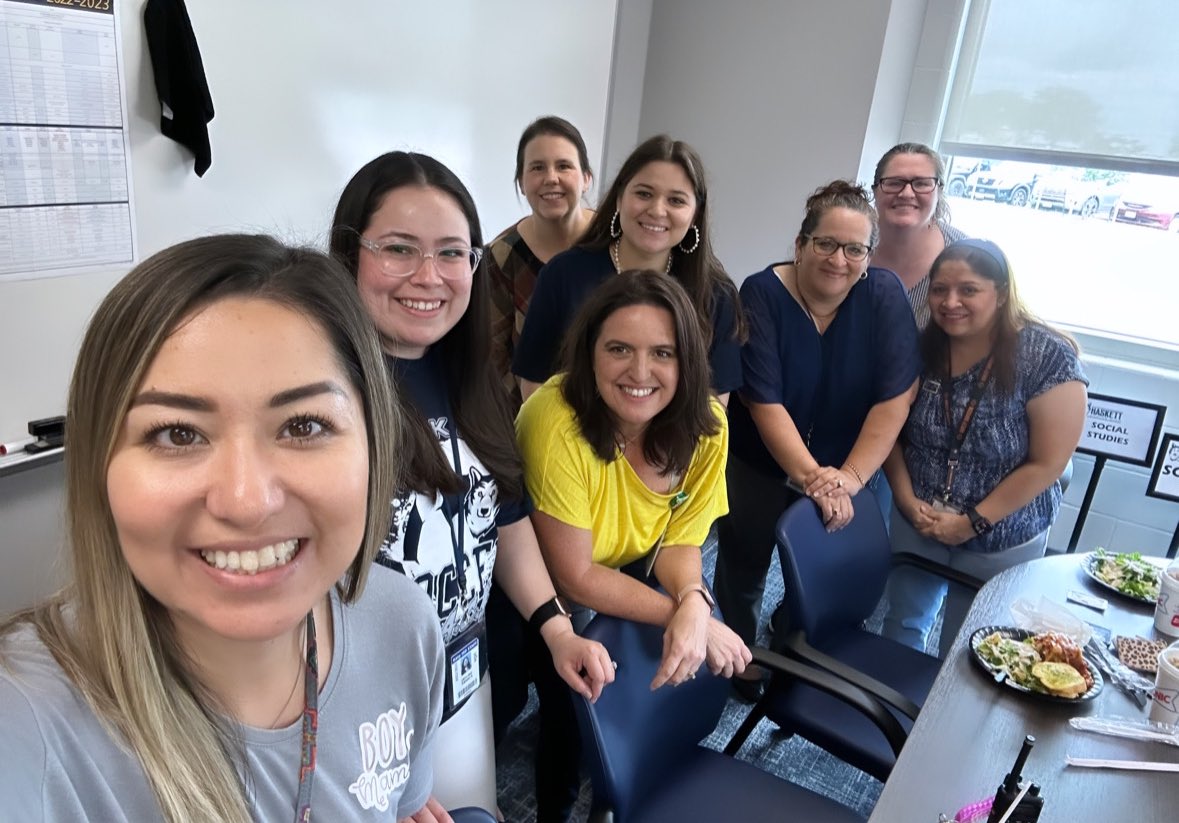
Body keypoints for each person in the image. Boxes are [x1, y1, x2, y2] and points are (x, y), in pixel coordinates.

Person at [0, 235, 447, 822]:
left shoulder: (403, 625)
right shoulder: (23, 717)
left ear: (374, 446)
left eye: (304, 425)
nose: (247, 501)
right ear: (98, 467)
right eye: (177, 434)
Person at [329, 152, 614, 815]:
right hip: (362, 716)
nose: (428, 276)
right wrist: (372, 767)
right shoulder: (321, 396)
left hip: (458, 680)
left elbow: (501, 518)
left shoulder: (467, 377)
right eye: (399, 249)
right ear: (350, 254)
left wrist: (554, 626)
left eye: (452, 253)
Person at [517, 269, 751, 822]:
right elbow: (573, 575)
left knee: (619, 701)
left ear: (687, 361)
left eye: (662, 353)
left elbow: (680, 540)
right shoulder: (556, 418)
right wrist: (696, 618)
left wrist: (694, 601)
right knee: (559, 713)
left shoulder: (707, 425)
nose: (639, 372)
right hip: (537, 581)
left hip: (626, 571)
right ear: (589, 351)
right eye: (619, 348)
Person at [714, 181, 921, 700]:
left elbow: (895, 396)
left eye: (855, 249)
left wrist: (847, 480)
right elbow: (764, 401)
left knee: (823, 578)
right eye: (826, 243)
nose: (839, 259)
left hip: (849, 468)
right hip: (760, 461)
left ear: (869, 256)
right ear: (801, 243)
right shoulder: (760, 293)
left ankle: (790, 647)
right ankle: (739, 657)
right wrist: (813, 479)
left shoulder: (883, 295)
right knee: (743, 566)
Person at [881, 238, 1087, 657]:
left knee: (976, 644)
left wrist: (972, 522)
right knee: (902, 621)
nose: (950, 301)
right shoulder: (919, 347)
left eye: (968, 290)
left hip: (1003, 529)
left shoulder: (1047, 356)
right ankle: (892, 716)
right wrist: (903, 499)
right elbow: (888, 432)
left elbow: (1048, 463)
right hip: (918, 516)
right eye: (939, 289)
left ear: (1002, 292)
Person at [512, 134, 744, 403]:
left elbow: (712, 409)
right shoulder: (562, 275)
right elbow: (534, 389)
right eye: (644, 194)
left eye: (676, 200)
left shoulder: (717, 294)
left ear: (696, 212)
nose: (657, 210)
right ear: (620, 198)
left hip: (674, 445)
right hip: (569, 441)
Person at [487, 115, 595, 408]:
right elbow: (495, 364)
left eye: (564, 166)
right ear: (521, 182)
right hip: (532, 418)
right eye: (537, 167)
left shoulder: (615, 244)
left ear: (586, 178)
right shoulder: (500, 258)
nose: (551, 178)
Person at [869, 143, 967, 330]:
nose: (906, 193)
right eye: (894, 182)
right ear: (875, 190)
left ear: (939, 191)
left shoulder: (966, 255)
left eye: (921, 183)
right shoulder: (848, 243)